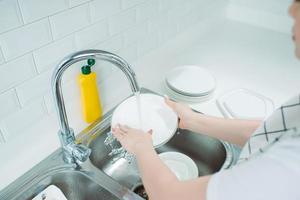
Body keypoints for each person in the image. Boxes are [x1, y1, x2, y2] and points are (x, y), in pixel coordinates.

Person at [112, 1, 300, 199]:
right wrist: (193, 120)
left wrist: (142, 147)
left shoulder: (290, 168)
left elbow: (169, 196)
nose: (290, 10)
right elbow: (272, 132)